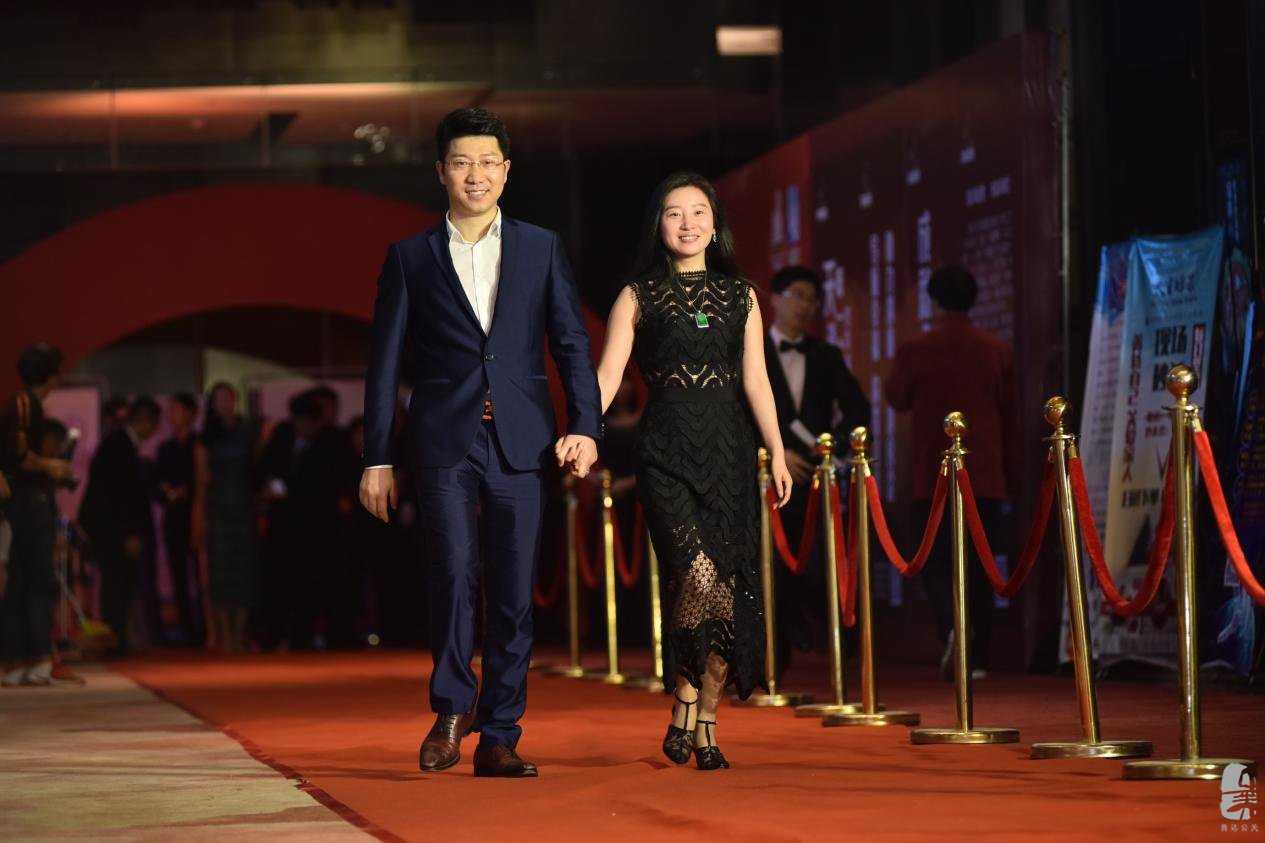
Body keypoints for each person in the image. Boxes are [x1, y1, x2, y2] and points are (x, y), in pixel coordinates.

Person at [360, 107, 602, 779]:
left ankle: (499, 731)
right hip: (443, 440)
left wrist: (585, 424)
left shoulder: (540, 247)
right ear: (441, 171)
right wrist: (377, 456)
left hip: (523, 440)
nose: (476, 175)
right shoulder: (410, 257)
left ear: (506, 171)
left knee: (514, 590)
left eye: (488, 162)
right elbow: (383, 365)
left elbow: (571, 343)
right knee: (452, 573)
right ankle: (450, 710)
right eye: (462, 162)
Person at [586, 171, 793, 770]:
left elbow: (757, 381)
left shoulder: (741, 296)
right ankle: (686, 696)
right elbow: (608, 376)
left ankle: (702, 716)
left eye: (699, 212)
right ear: (658, 224)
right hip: (666, 452)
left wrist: (777, 452)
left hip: (731, 450)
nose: (687, 223)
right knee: (696, 577)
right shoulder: (638, 295)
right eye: (674, 213)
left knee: (729, 587)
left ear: (715, 223)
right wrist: (582, 429)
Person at [884, 265, 1020, 679]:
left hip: (934, 476)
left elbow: (896, 397)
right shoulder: (997, 349)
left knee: (934, 561)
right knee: (981, 564)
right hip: (986, 476)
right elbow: (1009, 412)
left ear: (935, 300)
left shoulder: (916, 349)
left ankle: (951, 629)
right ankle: (979, 655)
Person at [764, 265, 870, 667]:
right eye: (797, 295)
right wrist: (774, 452)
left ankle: (842, 651)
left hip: (813, 480)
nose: (805, 306)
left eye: (812, 299)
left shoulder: (826, 355)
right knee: (769, 568)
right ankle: (774, 662)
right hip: (764, 481)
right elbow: (733, 415)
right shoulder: (748, 351)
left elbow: (858, 408)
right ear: (775, 299)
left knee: (819, 568)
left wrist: (831, 448)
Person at [0, 344, 74, 685]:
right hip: (28, 500)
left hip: (19, 501)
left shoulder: (22, 403)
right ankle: (37, 658)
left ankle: (18, 660)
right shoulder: (25, 404)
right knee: (36, 578)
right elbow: (18, 455)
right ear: (53, 373)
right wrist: (51, 465)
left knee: (20, 580)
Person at [79, 396, 162, 658]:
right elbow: (121, 494)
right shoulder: (119, 445)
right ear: (145, 421)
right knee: (117, 584)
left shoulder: (119, 443)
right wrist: (130, 532)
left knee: (119, 584)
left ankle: (117, 637)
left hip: (110, 529)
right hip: (113, 531)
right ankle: (114, 639)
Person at [194, 382, 261, 654]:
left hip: (244, 508)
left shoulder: (247, 432)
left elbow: (256, 471)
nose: (224, 404)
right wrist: (199, 515)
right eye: (219, 399)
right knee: (220, 572)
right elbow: (201, 481)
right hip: (218, 509)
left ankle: (240, 632)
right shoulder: (206, 437)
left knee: (244, 571)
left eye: (228, 398)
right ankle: (223, 633)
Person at [154, 393, 202, 645]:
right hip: (173, 517)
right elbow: (157, 482)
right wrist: (168, 491)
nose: (172, 416)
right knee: (178, 576)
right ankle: (188, 631)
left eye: (177, 410)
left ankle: (207, 627)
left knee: (202, 574)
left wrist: (188, 491)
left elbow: (203, 481)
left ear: (191, 413)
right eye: (170, 411)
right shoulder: (166, 448)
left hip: (196, 515)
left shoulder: (199, 445)